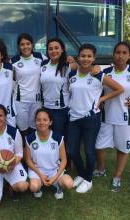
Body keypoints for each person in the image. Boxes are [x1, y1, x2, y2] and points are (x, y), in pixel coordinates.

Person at [67, 43, 123, 193]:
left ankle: (88, 180)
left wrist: (102, 99)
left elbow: (119, 89)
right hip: (73, 118)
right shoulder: (72, 73)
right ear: (78, 57)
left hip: (90, 118)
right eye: (83, 56)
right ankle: (81, 173)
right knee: (72, 150)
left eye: (89, 56)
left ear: (94, 58)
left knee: (90, 151)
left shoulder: (98, 74)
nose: (85, 59)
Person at [95, 42, 130, 192]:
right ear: (113, 54)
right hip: (105, 116)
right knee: (98, 146)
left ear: (129, 56)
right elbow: (96, 91)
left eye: (124, 53)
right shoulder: (106, 72)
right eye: (117, 52)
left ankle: (117, 176)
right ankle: (101, 169)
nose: (120, 55)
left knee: (122, 149)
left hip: (125, 119)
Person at [25, 108, 73, 199]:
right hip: (38, 170)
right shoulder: (30, 138)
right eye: (38, 120)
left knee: (69, 184)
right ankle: (39, 186)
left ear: (50, 122)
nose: (41, 122)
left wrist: (55, 177)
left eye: (45, 120)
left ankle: (58, 186)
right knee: (33, 187)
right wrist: (40, 175)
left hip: (54, 170)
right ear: (35, 122)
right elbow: (28, 160)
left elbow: (63, 160)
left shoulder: (57, 138)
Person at [11, 33, 46, 137]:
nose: (25, 47)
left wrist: (68, 59)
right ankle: (23, 151)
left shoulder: (40, 57)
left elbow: (53, 64)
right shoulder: (14, 61)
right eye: (22, 44)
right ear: (19, 46)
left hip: (37, 101)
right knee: (23, 131)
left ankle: (33, 151)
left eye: (28, 44)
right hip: (21, 102)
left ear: (32, 45)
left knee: (35, 129)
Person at [40, 38, 70, 135]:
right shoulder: (43, 64)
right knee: (46, 136)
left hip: (60, 110)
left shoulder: (68, 65)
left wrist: (95, 67)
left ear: (62, 49)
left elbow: (84, 66)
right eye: (50, 49)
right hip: (45, 108)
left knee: (59, 138)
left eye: (56, 48)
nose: (53, 51)